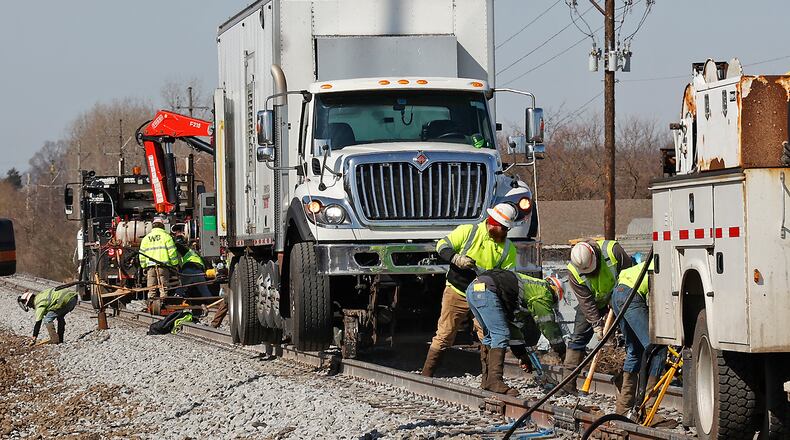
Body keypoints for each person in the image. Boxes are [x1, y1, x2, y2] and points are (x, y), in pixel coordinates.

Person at [421, 203, 519, 377]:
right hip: (457, 291)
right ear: (492, 221)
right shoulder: (468, 231)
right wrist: (456, 258)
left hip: (484, 296)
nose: (505, 232)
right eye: (503, 228)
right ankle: (426, 376)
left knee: (487, 336)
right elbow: (442, 246)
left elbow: (507, 279)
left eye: (507, 229)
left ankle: (489, 380)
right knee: (444, 334)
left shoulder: (508, 249)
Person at [466, 269, 567, 396]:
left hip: (473, 289)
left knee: (490, 336)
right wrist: (561, 349)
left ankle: (486, 380)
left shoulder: (524, 292)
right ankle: (494, 381)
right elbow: (546, 322)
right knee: (500, 335)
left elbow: (512, 326)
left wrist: (522, 355)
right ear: (556, 292)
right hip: (487, 291)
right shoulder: (543, 292)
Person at [563, 239, 632, 392]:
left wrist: (616, 300)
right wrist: (596, 325)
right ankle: (568, 385)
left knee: (628, 337)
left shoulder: (613, 251)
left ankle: (627, 381)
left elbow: (631, 276)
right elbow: (585, 301)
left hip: (620, 297)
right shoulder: (574, 271)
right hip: (593, 302)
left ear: (595, 255)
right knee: (578, 338)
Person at [610, 261, 666, 414]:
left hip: (618, 293)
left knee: (635, 350)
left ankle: (623, 408)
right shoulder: (666, 265)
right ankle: (648, 410)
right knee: (657, 349)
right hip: (631, 296)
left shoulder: (654, 260)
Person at [139, 217, 180, 299]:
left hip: (150, 267)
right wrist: (175, 264)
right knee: (163, 287)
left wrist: (143, 266)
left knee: (151, 288)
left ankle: (151, 302)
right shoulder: (167, 237)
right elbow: (172, 252)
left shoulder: (146, 238)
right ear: (162, 226)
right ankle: (163, 302)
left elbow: (141, 254)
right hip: (163, 266)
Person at [173, 233, 212, 298]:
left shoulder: (186, 251)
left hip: (188, 270)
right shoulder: (196, 254)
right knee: (204, 291)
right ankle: (211, 301)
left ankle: (175, 299)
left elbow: (177, 245)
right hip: (199, 272)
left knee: (181, 288)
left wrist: (172, 241)